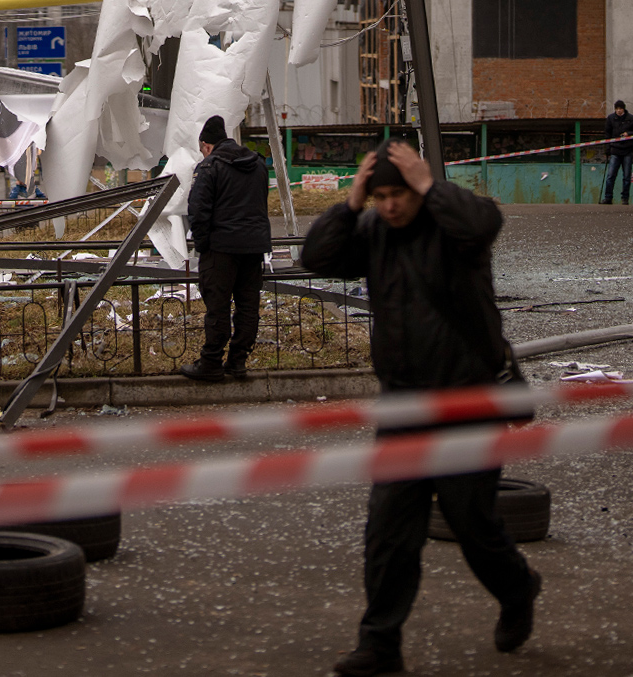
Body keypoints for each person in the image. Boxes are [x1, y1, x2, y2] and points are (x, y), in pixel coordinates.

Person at [301, 139, 541, 676]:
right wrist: (350, 202)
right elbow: (315, 257)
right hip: (403, 405)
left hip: (466, 400)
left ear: (417, 189)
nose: (391, 205)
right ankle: (379, 643)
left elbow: (484, 224)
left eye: (399, 194)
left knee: (470, 524)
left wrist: (431, 184)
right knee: (388, 530)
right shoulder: (372, 230)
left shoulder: (455, 227)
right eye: (381, 195)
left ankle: (518, 587)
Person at [179, 115, 271, 382]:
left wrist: (204, 245)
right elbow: (261, 203)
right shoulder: (258, 164)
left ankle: (211, 363)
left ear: (207, 144)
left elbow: (197, 211)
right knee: (247, 306)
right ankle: (238, 361)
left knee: (217, 307)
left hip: (220, 249)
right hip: (253, 248)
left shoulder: (209, 167)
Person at [601, 100, 633, 205]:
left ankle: (625, 198)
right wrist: (607, 149)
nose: (618, 111)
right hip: (615, 150)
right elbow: (607, 134)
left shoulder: (631, 119)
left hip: (627, 150)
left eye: (620, 109)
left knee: (627, 176)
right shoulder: (610, 118)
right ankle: (608, 197)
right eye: (617, 109)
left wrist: (629, 134)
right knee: (610, 176)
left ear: (624, 109)